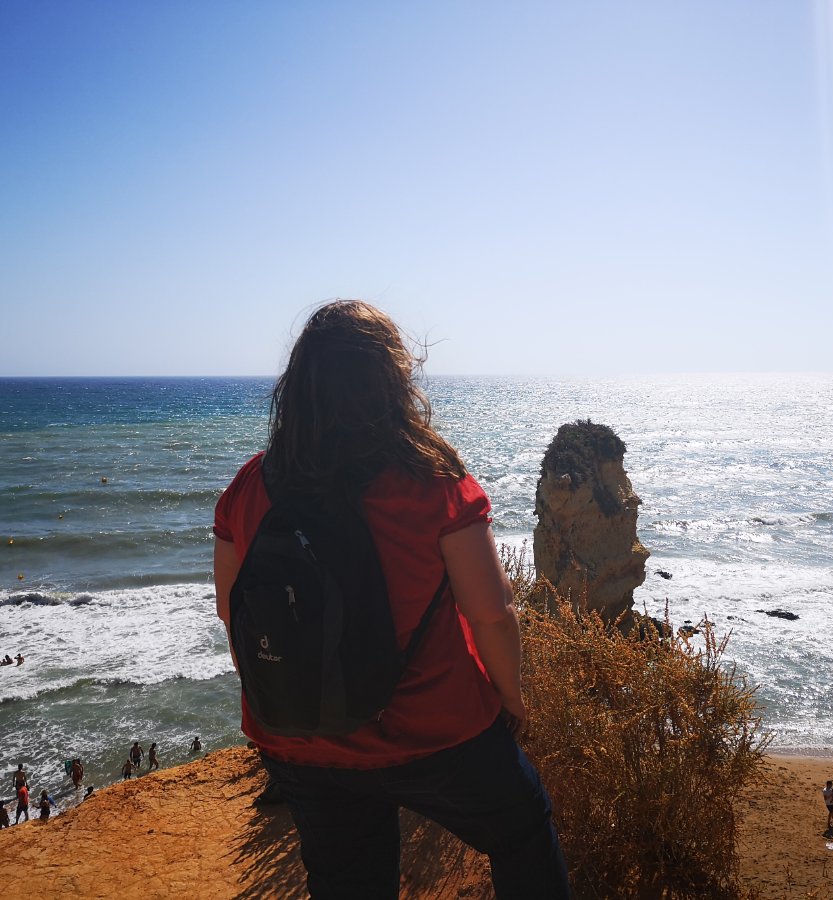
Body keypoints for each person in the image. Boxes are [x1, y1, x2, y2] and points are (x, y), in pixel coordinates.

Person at [213, 301, 569, 899]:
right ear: (391, 383)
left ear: (297, 388)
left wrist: (291, 705)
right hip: (436, 732)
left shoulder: (250, 485)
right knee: (522, 833)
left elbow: (233, 613)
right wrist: (511, 699)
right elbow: (492, 614)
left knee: (348, 882)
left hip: (299, 739)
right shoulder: (434, 481)